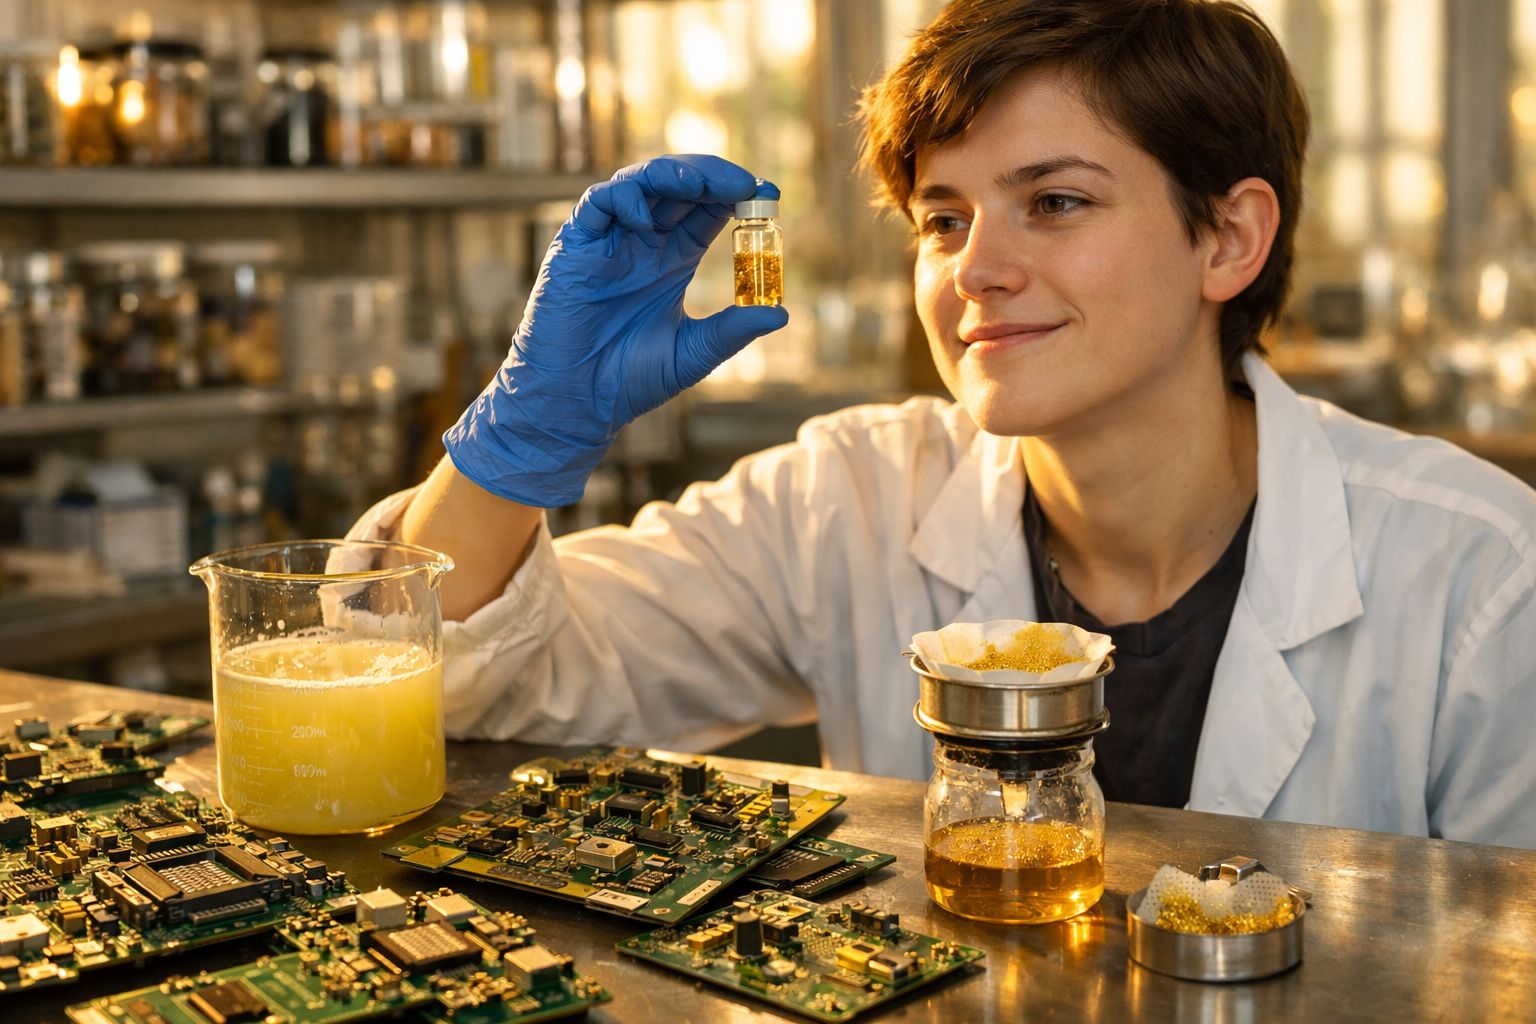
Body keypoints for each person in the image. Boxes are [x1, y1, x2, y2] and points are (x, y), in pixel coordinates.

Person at [352, 0, 1536, 848]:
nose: (975, 271)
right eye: (943, 219)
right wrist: (518, 443)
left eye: (1055, 201)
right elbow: (454, 698)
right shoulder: (847, 498)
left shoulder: (1481, 576)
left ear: (1229, 238)